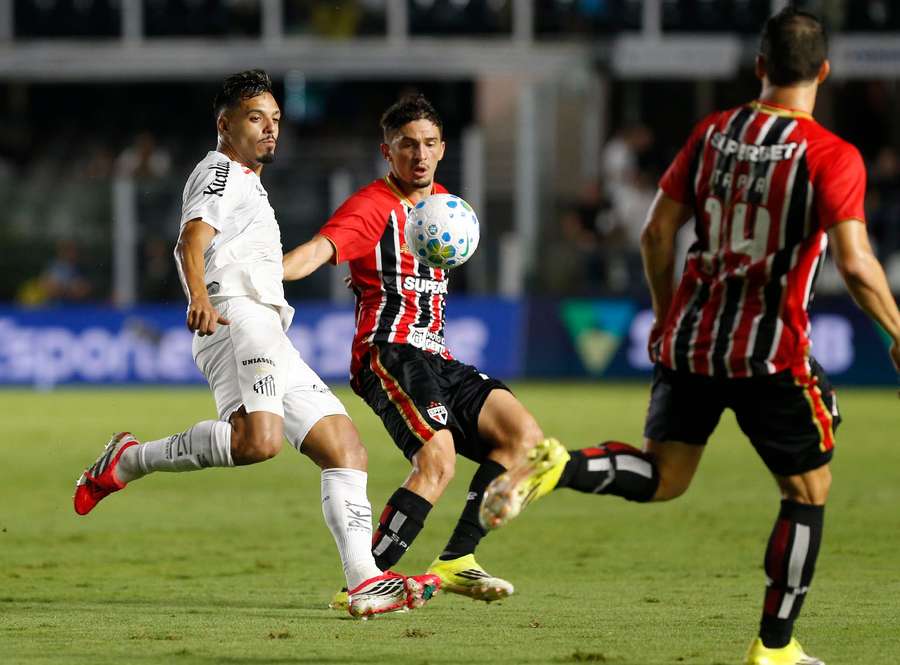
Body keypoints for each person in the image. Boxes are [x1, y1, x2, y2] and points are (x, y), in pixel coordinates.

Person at [480, 9, 900, 665]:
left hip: (692, 339)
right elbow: (856, 261)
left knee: (665, 474)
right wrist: (896, 330)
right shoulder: (831, 155)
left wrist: (666, 310)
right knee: (808, 490)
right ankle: (776, 648)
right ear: (823, 71)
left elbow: (654, 233)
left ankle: (558, 464)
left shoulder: (714, 132)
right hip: (768, 352)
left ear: (759, 66)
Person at [72, 70, 439, 619]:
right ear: (225, 125)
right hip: (237, 317)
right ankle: (129, 460)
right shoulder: (221, 171)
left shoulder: (247, 181)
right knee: (257, 442)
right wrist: (198, 295)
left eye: (275, 120)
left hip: (266, 325)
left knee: (345, 447)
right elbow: (190, 240)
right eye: (255, 118)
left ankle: (365, 580)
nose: (271, 130)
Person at [282, 94, 567, 603]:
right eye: (407, 145)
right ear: (386, 152)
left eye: (429, 144)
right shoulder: (371, 207)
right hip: (387, 351)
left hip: (436, 353)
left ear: (442, 149)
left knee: (523, 437)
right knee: (439, 458)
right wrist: (259, 276)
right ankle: (367, 580)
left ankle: (458, 559)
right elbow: (318, 251)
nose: (420, 154)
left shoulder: (445, 208)